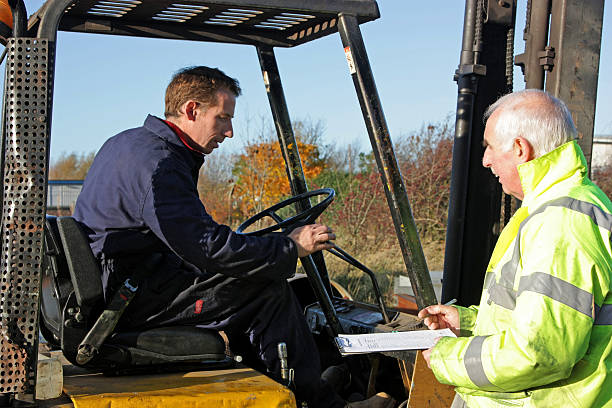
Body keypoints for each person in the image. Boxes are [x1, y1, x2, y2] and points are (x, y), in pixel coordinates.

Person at [73, 66, 350, 408]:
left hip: (132, 280)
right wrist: (289, 246)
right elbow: (205, 246)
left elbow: (192, 238)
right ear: (192, 110)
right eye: (223, 118)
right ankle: (318, 403)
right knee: (268, 288)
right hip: (130, 297)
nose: (229, 132)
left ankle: (287, 385)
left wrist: (254, 250)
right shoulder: (159, 164)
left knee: (247, 276)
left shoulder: (131, 144)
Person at [418, 89, 612, 408]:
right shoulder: (554, 210)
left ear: (520, 148)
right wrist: (467, 323)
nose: (485, 160)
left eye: (491, 147)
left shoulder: (561, 224)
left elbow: (539, 351)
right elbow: (538, 316)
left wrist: (445, 356)